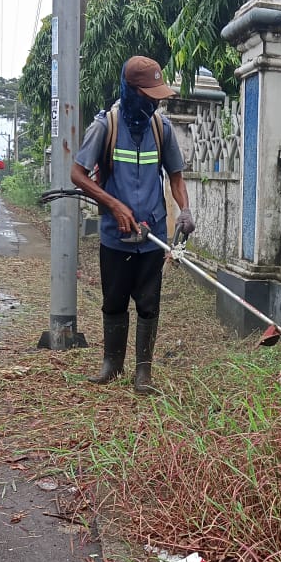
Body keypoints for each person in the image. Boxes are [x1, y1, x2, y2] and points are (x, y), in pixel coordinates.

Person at [70, 55, 194, 394]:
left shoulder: (161, 128)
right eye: (148, 94)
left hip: (152, 234)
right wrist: (113, 205)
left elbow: (176, 177)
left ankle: (143, 374)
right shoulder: (105, 126)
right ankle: (112, 365)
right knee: (114, 300)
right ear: (130, 91)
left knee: (149, 302)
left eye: (157, 95)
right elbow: (77, 174)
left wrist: (184, 209)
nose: (154, 101)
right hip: (116, 235)